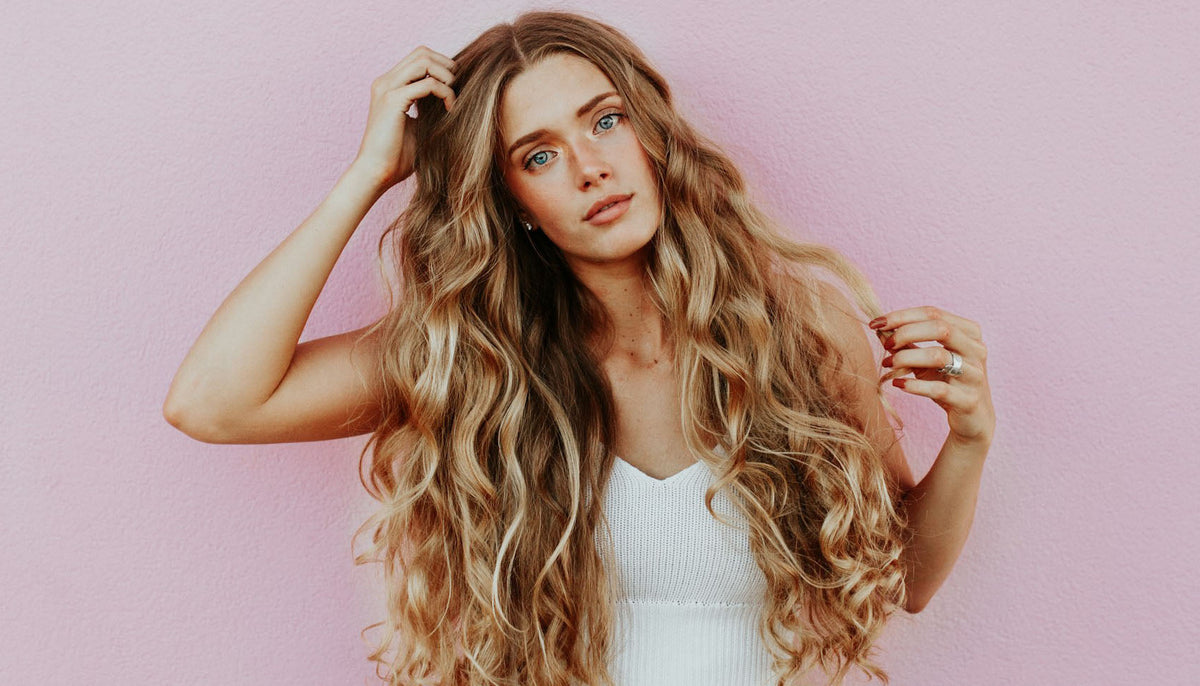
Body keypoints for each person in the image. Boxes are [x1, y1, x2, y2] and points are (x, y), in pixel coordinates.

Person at [163, 9, 995, 686]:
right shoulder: (476, 360)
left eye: (605, 120)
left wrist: (968, 439)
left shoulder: (799, 332)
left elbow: (905, 581)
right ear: (512, 199)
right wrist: (372, 172)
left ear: (652, 132)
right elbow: (214, 403)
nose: (591, 168)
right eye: (540, 155)